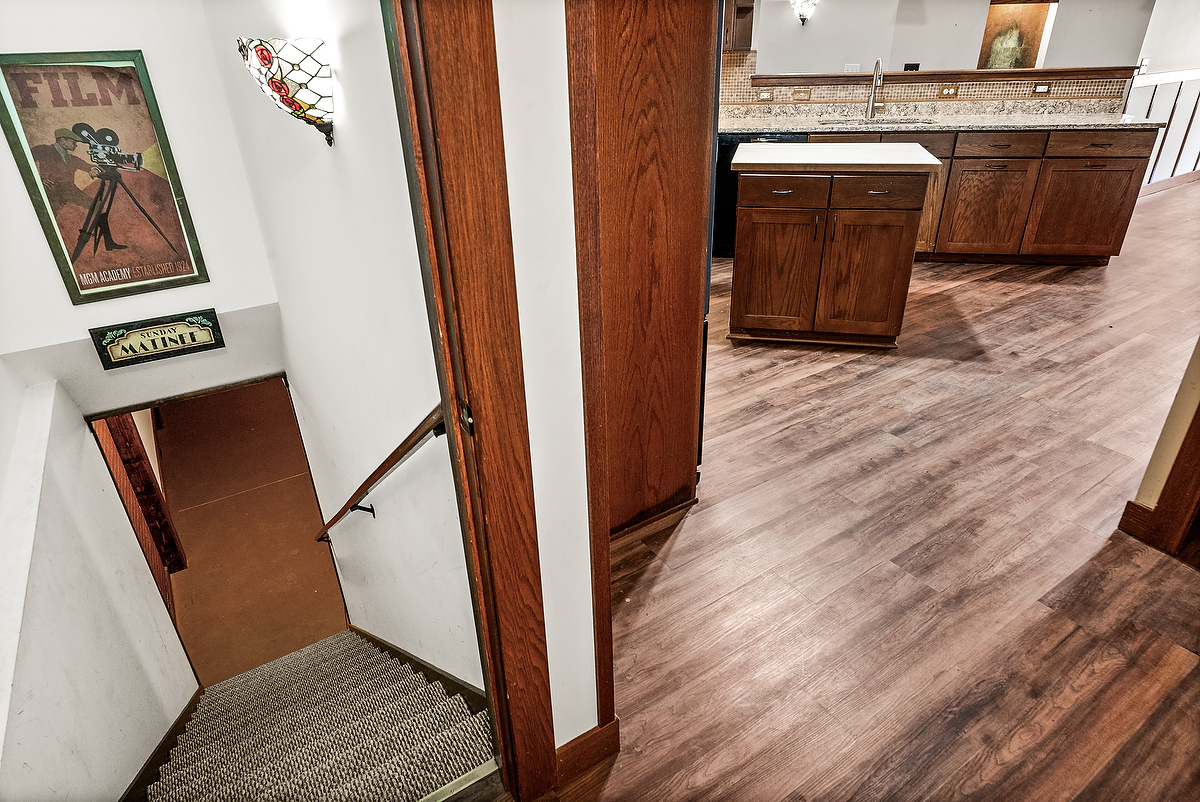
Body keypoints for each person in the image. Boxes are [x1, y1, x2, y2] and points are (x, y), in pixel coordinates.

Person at [31, 127, 125, 252]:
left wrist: (94, 169)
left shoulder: (72, 159)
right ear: (63, 140)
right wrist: (37, 181)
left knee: (98, 206)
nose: (76, 145)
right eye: (73, 141)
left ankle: (108, 242)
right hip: (51, 192)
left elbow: (88, 166)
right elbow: (23, 160)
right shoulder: (44, 150)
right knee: (46, 219)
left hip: (70, 191)